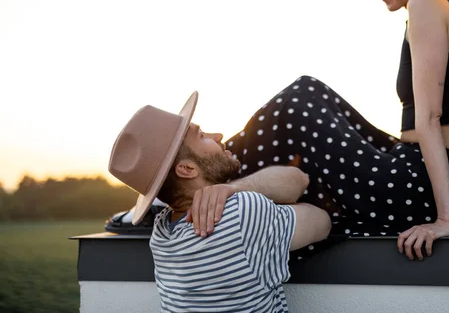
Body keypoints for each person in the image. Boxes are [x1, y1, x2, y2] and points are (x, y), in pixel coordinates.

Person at [209, 0, 449, 262]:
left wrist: (444, 220)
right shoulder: (440, 10)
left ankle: (202, 182)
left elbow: (429, 120)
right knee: (310, 90)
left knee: (298, 104)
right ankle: (214, 183)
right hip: (421, 175)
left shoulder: (425, 5)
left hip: (420, 188)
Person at [108, 91, 331, 313]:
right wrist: (239, 188)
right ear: (187, 169)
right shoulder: (240, 213)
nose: (219, 136)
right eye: (203, 135)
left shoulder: (161, 235)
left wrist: (229, 187)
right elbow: (321, 219)